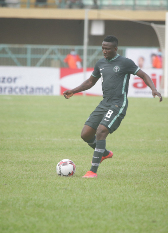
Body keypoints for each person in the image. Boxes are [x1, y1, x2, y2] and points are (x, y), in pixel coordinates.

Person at [63, 35, 162, 178]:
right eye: (103, 48)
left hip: (118, 103)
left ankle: (92, 171)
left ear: (115, 49)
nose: (104, 51)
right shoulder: (100, 64)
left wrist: (153, 89)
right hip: (105, 103)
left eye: (108, 49)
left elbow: (143, 75)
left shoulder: (125, 62)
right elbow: (90, 82)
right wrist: (73, 90)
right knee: (85, 134)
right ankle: (104, 153)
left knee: (101, 131)